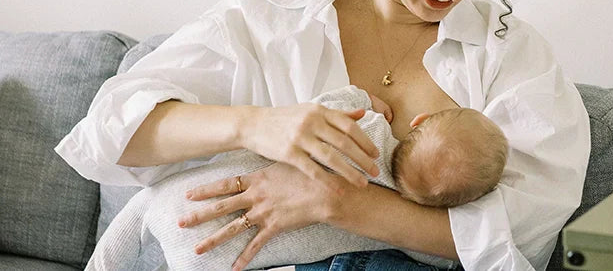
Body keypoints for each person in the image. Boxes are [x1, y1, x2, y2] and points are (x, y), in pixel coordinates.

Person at [55, 0, 590, 269]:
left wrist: (339, 204)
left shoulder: (510, 55)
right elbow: (112, 132)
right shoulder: (269, 17)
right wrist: (258, 125)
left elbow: (528, 224)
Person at [86, 85, 508, 271]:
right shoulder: (403, 233)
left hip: (173, 196)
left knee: (122, 239)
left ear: (421, 119)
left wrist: (363, 98)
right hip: (214, 257)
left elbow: (324, 106)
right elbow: (453, 253)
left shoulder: (366, 128)